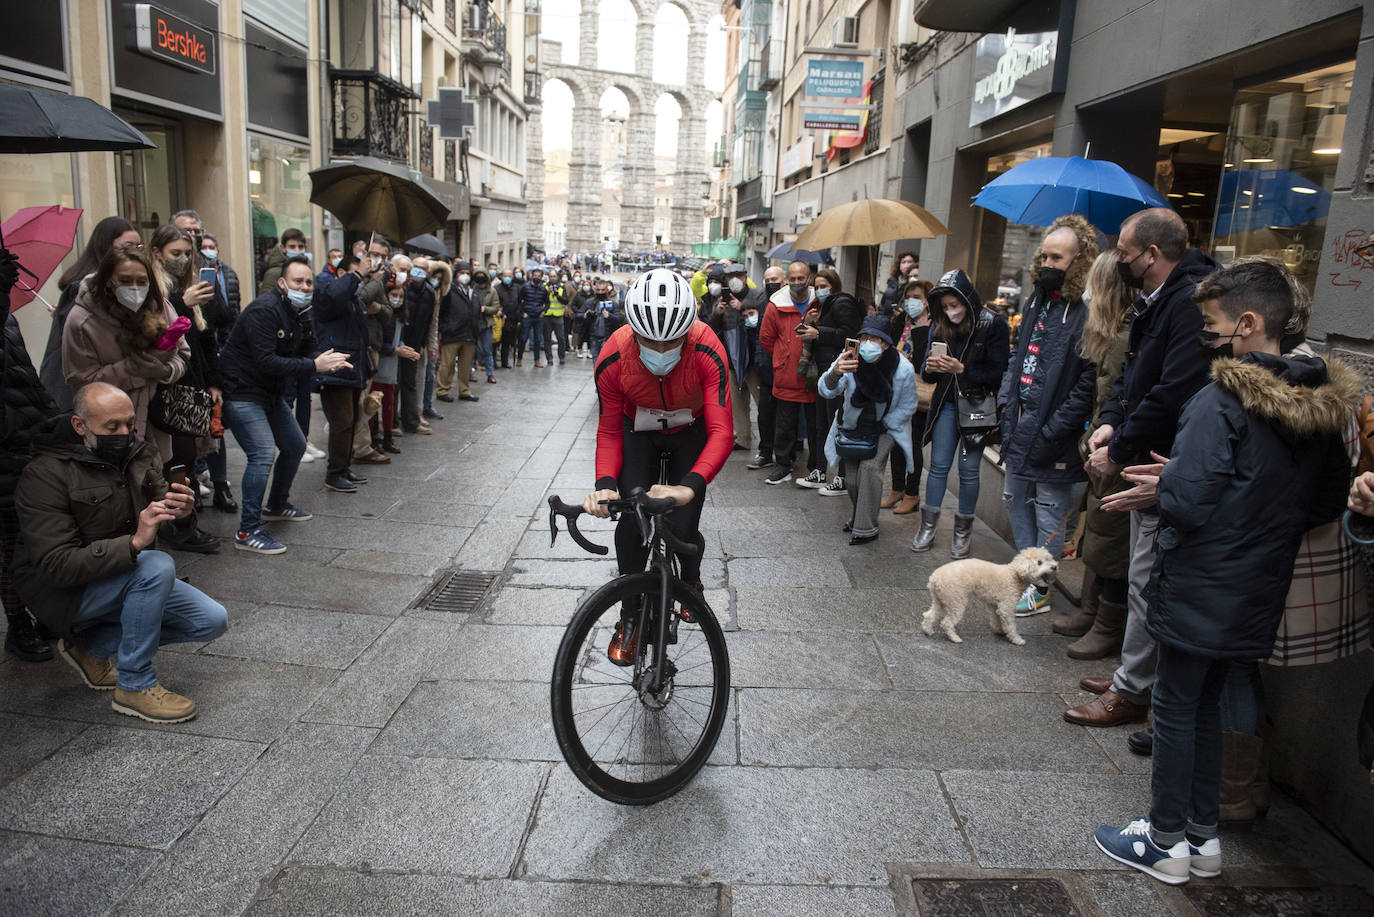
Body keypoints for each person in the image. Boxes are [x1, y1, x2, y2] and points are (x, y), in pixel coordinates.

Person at [1093, 258, 1355, 886]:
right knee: (1209, 705)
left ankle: (1163, 842)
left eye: (1210, 324)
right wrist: (1185, 477)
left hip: (1204, 579)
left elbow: (1190, 502)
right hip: (1260, 583)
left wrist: (1169, 484)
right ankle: (1200, 838)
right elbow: (1316, 501)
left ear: (1247, 323)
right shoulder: (1322, 405)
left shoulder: (1219, 400)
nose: (1203, 335)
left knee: (1178, 708)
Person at [1066, 208, 1217, 730]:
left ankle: (1132, 690)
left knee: (1147, 579)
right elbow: (1132, 376)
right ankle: (1133, 677)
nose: (1121, 261)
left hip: (1162, 463)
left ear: (1153, 255)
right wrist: (1110, 422)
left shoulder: (1192, 301)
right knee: (1140, 577)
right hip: (1143, 453)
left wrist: (1122, 446)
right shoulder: (1158, 300)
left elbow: (1173, 389)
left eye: (1127, 253)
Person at [12, 382, 229, 723]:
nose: (124, 433)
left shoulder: (137, 453)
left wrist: (183, 515)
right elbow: (54, 566)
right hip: (64, 592)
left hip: (127, 572)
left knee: (211, 620)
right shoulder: (44, 473)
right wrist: (133, 544)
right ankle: (135, 685)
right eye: (111, 427)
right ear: (80, 426)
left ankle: (91, 646)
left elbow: (166, 521)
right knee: (156, 564)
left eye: (129, 423)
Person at [584, 269, 733, 664]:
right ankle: (629, 616)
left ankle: (691, 578)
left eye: (674, 341)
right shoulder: (613, 355)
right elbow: (610, 429)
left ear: (690, 329)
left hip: (693, 430)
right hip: (639, 432)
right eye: (650, 340)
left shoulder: (707, 347)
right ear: (632, 330)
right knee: (631, 521)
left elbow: (721, 430)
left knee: (683, 525)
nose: (662, 350)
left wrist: (690, 486)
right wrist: (605, 484)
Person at [996, 215, 1099, 616]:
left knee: (1050, 512)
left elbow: (1086, 383)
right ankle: (1026, 579)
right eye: (1044, 256)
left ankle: (1039, 591)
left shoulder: (1089, 311)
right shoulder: (1036, 299)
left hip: (1053, 435)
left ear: (1079, 260)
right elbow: (1016, 358)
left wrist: (1056, 428)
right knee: (1015, 502)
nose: (1047, 264)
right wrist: (1006, 403)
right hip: (1019, 426)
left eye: (1057, 257)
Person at [219, 257, 352, 554]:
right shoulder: (264, 310)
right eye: (298, 282)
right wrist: (314, 365)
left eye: (308, 283)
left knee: (294, 445)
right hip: (242, 391)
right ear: (282, 283)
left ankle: (276, 504)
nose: (304, 287)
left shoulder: (302, 311)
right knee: (263, 452)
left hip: (269, 393)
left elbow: (310, 348)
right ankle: (248, 530)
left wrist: (326, 360)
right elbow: (266, 360)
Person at [1058, 252, 1135, 656]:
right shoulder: (1111, 335)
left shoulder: (1125, 336)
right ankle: (1091, 612)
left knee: (1111, 539)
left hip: (1117, 452)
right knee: (1099, 534)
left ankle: (1106, 623)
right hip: (1101, 447)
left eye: (1092, 284)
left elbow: (1117, 396)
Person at [62, 244, 191, 470]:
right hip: (108, 434)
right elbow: (80, 380)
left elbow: (183, 355)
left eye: (141, 281)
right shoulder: (82, 320)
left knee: (161, 495)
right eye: (125, 280)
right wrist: (133, 370)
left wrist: (165, 372)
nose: (134, 288)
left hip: (158, 427)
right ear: (109, 281)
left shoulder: (159, 306)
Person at [911, 269, 1010, 558]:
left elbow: (998, 373)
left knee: (968, 471)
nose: (950, 311)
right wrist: (931, 368)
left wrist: (962, 370)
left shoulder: (993, 325)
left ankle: (962, 531)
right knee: (938, 466)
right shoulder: (939, 325)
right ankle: (927, 527)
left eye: (955, 305)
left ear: (968, 299)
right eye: (945, 306)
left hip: (976, 410)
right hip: (945, 404)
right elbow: (927, 376)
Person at [146, 223, 227, 552]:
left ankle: (193, 513)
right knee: (178, 460)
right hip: (168, 389)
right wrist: (180, 302)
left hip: (196, 386)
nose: (181, 260)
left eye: (186, 254)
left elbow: (215, 329)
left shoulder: (193, 285)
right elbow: (159, 336)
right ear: (157, 254)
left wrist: (214, 383)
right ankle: (181, 526)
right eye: (174, 254)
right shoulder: (154, 291)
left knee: (197, 450)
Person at [0, 250, 60, 662]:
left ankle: (40, 614)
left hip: (23, 446)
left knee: (26, 540)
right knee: (10, 546)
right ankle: (17, 625)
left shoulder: (7, 322)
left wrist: (54, 418)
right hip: (6, 449)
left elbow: (28, 379)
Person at [818, 315, 919, 546]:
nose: (868, 343)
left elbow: (908, 405)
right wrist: (836, 371)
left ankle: (866, 528)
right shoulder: (850, 359)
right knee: (852, 480)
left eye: (875, 339)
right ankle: (858, 517)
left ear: (885, 343)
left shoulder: (903, 369)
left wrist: (886, 424)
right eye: (864, 338)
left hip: (887, 427)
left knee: (870, 469)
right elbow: (826, 390)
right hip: (852, 427)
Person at [42, 217, 140, 411]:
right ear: (107, 246)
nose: (134, 253)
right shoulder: (84, 289)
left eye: (139, 246)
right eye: (128, 245)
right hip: (84, 396)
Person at [312, 245, 386, 492]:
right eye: (353, 274)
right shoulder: (326, 289)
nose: (358, 279)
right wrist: (356, 276)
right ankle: (334, 474)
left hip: (353, 366)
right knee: (341, 421)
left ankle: (343, 468)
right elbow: (333, 298)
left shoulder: (351, 297)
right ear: (341, 272)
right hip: (336, 366)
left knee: (351, 420)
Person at [759, 261, 822, 486]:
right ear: (786, 280)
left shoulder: (821, 300)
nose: (797, 283)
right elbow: (766, 338)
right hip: (788, 373)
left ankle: (817, 467)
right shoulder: (775, 304)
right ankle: (783, 465)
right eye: (793, 279)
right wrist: (783, 355)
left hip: (815, 374)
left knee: (816, 425)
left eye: (801, 278)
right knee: (784, 425)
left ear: (808, 279)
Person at [804, 267, 865, 496]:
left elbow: (849, 334)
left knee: (835, 424)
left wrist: (818, 333)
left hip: (838, 372)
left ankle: (841, 477)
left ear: (834, 286)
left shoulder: (842, 303)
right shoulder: (823, 307)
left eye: (823, 286)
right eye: (816, 286)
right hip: (824, 372)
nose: (819, 291)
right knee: (822, 424)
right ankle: (820, 470)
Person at [881, 279, 933, 515]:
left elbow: (925, 360)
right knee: (895, 442)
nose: (912, 301)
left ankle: (912, 494)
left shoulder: (933, 326)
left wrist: (920, 328)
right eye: (908, 296)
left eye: (917, 296)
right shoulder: (901, 321)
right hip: (896, 390)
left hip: (918, 393)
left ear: (927, 300)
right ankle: (897, 489)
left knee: (912, 445)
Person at [744, 266, 784, 471]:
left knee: (786, 415)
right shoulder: (762, 304)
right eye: (767, 280)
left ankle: (786, 455)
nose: (771, 283)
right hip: (767, 370)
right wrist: (760, 368)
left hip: (787, 370)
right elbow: (760, 339)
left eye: (775, 279)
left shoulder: (792, 303)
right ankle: (766, 452)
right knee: (765, 414)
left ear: (783, 281)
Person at [436, 261, 480, 402]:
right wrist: (445, 328)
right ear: (456, 274)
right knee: (447, 365)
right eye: (462, 273)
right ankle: (442, 390)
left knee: (465, 366)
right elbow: (442, 312)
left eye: (467, 273)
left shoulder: (474, 290)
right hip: (453, 333)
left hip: (470, 334)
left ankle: (464, 391)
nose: (465, 276)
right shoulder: (450, 290)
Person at [257, 228, 309, 295]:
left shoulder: (308, 270)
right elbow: (265, 302)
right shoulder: (273, 274)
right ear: (283, 248)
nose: (297, 250)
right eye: (292, 247)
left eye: (300, 247)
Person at [518, 267, 550, 368]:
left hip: (538, 317)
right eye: (535, 275)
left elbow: (547, 303)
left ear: (541, 277)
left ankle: (537, 360)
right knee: (523, 338)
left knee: (537, 339)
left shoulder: (543, 289)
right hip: (527, 316)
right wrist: (523, 312)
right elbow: (519, 301)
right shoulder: (525, 287)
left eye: (539, 276)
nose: (537, 277)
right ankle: (519, 358)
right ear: (532, 276)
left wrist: (543, 312)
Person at [472, 267, 499, 384]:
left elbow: (496, 307)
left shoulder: (492, 291)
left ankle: (490, 374)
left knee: (487, 350)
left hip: (486, 324)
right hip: (473, 324)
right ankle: (469, 372)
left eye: (482, 274)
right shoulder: (471, 289)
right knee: (471, 350)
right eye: (477, 274)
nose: (480, 276)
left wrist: (485, 309)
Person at [588, 278, 624, 361]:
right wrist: (586, 315)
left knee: (605, 361)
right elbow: (579, 315)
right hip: (594, 337)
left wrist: (609, 316)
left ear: (607, 290)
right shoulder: (590, 302)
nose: (600, 292)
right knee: (595, 360)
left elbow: (619, 319)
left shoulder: (613, 303)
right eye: (598, 290)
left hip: (607, 337)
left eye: (602, 290)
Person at [497, 268, 523, 368]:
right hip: (501, 318)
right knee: (497, 341)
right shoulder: (497, 288)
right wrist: (502, 313)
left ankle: (505, 362)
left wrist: (519, 316)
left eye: (509, 276)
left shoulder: (516, 288)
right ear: (501, 277)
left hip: (513, 319)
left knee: (508, 342)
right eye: (505, 276)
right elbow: (496, 303)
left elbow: (520, 302)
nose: (507, 278)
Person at [879, 250, 919, 315]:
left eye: (909, 262)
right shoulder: (892, 281)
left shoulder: (913, 282)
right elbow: (884, 301)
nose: (906, 265)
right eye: (903, 262)